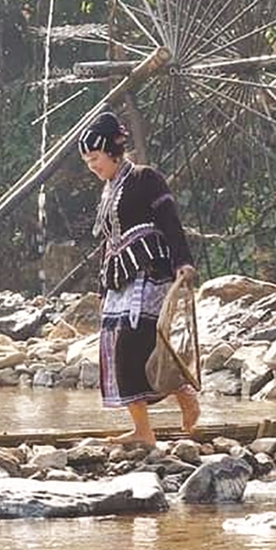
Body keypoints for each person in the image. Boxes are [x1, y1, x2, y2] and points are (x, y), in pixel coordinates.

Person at [80, 110, 200, 446]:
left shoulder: (146, 179)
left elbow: (170, 222)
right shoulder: (107, 191)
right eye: (87, 160)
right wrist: (102, 287)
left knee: (137, 345)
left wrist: (183, 262)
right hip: (120, 280)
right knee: (120, 350)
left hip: (150, 273)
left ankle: (182, 394)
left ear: (113, 151)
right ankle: (144, 430)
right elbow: (109, 242)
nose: (92, 165)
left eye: (95, 157)